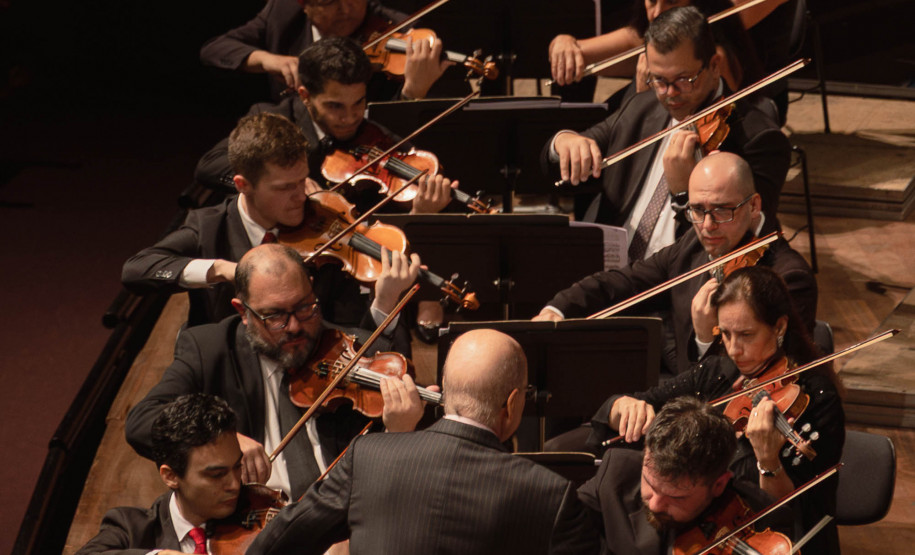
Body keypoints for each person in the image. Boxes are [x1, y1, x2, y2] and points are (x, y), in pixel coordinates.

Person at [247, 329, 600, 555]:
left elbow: (276, 545)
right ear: (511, 403)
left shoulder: (368, 457)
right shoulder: (550, 496)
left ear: (443, 391)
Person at [125, 244, 432, 501]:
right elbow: (142, 421)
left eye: (304, 307)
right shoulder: (209, 349)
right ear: (243, 312)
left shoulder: (351, 350)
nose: (296, 326)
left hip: (344, 515)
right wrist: (221, 439)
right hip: (253, 520)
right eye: (275, 316)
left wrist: (402, 430)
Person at [599, 266, 844, 553]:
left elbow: (789, 517)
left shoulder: (817, 399)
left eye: (746, 335)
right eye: (725, 334)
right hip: (699, 527)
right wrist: (623, 406)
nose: (733, 349)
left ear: (779, 327)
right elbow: (644, 400)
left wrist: (768, 460)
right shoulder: (718, 371)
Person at [123, 110, 424, 332]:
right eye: (284, 187)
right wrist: (221, 269)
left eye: (302, 181)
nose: (301, 196)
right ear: (242, 185)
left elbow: (346, 331)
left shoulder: (325, 229)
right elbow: (136, 269)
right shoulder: (210, 225)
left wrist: (384, 302)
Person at [535, 152, 815, 376]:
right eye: (697, 209)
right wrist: (559, 308)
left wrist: (706, 340)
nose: (707, 225)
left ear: (754, 206)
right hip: (672, 393)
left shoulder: (790, 278)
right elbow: (625, 283)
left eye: (721, 210)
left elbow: (765, 379)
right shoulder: (693, 244)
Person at [543, 6, 789, 260]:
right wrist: (564, 142)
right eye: (659, 80)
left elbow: (741, 253)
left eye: (684, 79)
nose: (670, 94)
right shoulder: (642, 107)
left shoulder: (759, 141)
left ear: (714, 65)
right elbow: (556, 168)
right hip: (609, 273)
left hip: (676, 290)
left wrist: (683, 194)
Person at [195, 37, 458, 216]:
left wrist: (419, 212)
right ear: (305, 95)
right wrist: (289, 182)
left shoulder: (375, 135)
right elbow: (210, 166)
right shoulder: (272, 119)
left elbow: (382, 220)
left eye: (358, 102)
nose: (351, 117)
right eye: (335, 106)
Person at [578, 396, 790, 554]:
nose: (655, 505)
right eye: (650, 485)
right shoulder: (615, 476)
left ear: (719, 484)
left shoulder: (760, 516)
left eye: (677, 497)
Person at [77, 393, 244, 554]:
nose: (235, 485)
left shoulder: (256, 516)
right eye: (217, 475)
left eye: (237, 467)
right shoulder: (130, 527)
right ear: (170, 476)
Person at [199, 0, 450, 102]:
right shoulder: (283, 15)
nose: (346, 9)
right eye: (329, 1)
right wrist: (266, 59)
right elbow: (214, 50)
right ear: (304, 5)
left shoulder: (401, 30)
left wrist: (413, 91)